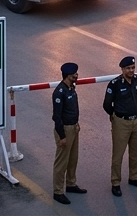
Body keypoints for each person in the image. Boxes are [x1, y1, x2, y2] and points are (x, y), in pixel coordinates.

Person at [104, 56, 137, 196]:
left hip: (136, 120)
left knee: (136, 152)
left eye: (133, 68)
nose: (131, 70)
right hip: (121, 122)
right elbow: (106, 104)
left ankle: (134, 177)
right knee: (118, 154)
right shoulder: (114, 84)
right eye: (128, 68)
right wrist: (115, 116)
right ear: (122, 69)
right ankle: (115, 182)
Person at [52, 62, 85, 204]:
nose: (77, 75)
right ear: (67, 76)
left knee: (73, 159)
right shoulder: (59, 92)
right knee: (61, 162)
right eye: (74, 74)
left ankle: (71, 184)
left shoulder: (71, 88)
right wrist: (62, 136)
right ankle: (58, 191)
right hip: (65, 130)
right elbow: (57, 117)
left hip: (73, 127)